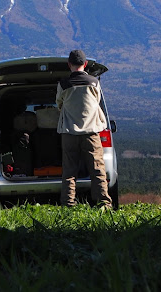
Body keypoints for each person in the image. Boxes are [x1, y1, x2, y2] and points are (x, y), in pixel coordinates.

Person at [56, 49, 112, 208]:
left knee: (69, 172)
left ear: (69, 65)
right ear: (85, 64)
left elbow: (59, 104)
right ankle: (104, 204)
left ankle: (68, 204)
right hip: (91, 133)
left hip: (69, 133)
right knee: (97, 170)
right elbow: (97, 101)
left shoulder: (63, 84)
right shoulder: (94, 82)